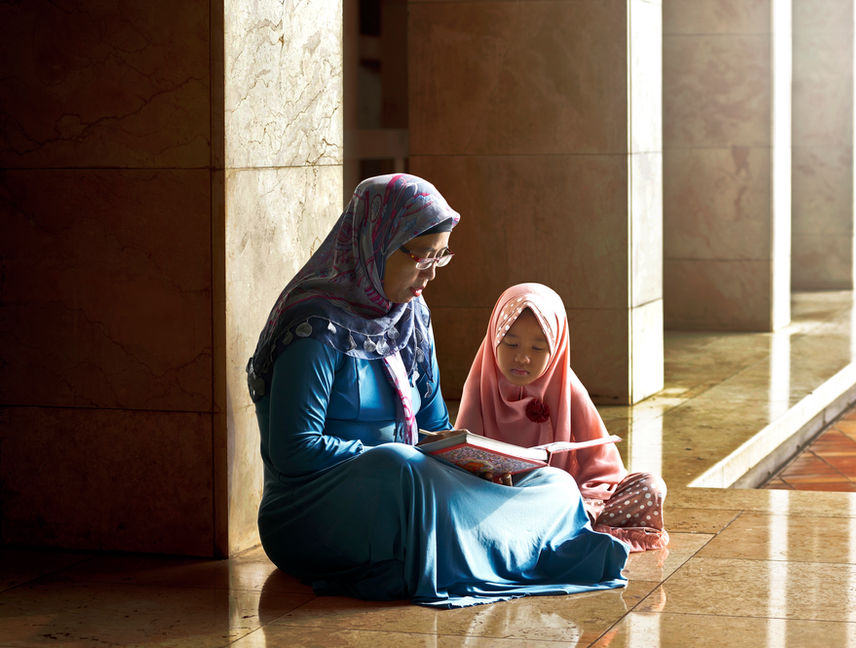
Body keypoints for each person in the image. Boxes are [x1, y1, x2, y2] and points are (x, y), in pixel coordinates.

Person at [245, 174, 628, 608]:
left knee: (553, 484)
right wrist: (401, 455)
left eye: (440, 257)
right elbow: (295, 449)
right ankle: (509, 549)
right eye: (421, 256)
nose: (429, 273)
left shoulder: (411, 317)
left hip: (410, 487)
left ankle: (484, 548)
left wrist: (475, 463)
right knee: (399, 460)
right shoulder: (315, 325)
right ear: (377, 241)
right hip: (313, 511)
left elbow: (433, 429)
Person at [455, 282, 670, 553]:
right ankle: (560, 535)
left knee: (649, 485)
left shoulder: (567, 388)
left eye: (537, 348)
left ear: (556, 349)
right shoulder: (480, 383)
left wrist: (582, 497)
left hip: (557, 500)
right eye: (510, 344)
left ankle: (560, 529)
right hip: (496, 498)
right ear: (494, 339)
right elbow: (463, 462)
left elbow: (602, 467)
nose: (522, 358)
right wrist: (489, 479)